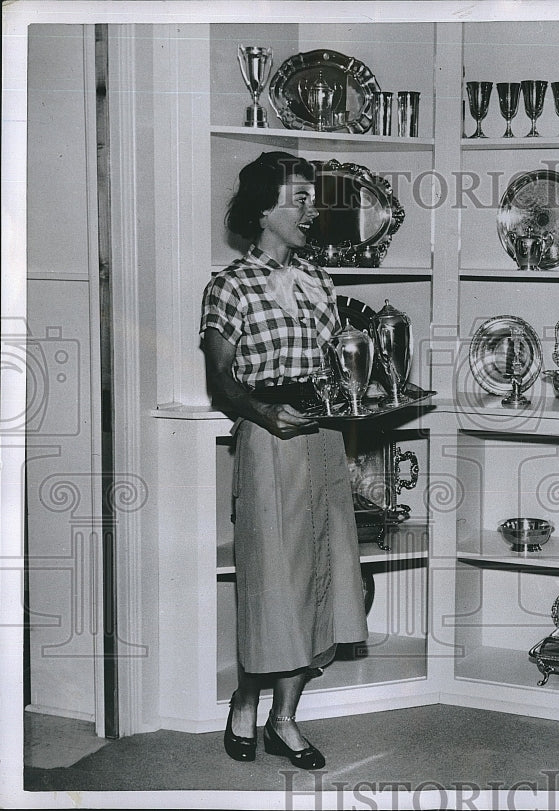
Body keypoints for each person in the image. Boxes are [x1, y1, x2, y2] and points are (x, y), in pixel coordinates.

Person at [200, 151, 369, 770]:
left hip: (322, 436)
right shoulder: (229, 286)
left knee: (319, 575)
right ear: (264, 210)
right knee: (272, 582)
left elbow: (333, 366)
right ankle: (245, 702)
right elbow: (223, 383)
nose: (310, 208)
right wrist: (267, 415)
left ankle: (285, 719)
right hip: (268, 438)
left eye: (311, 197)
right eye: (298, 197)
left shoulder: (320, 280)